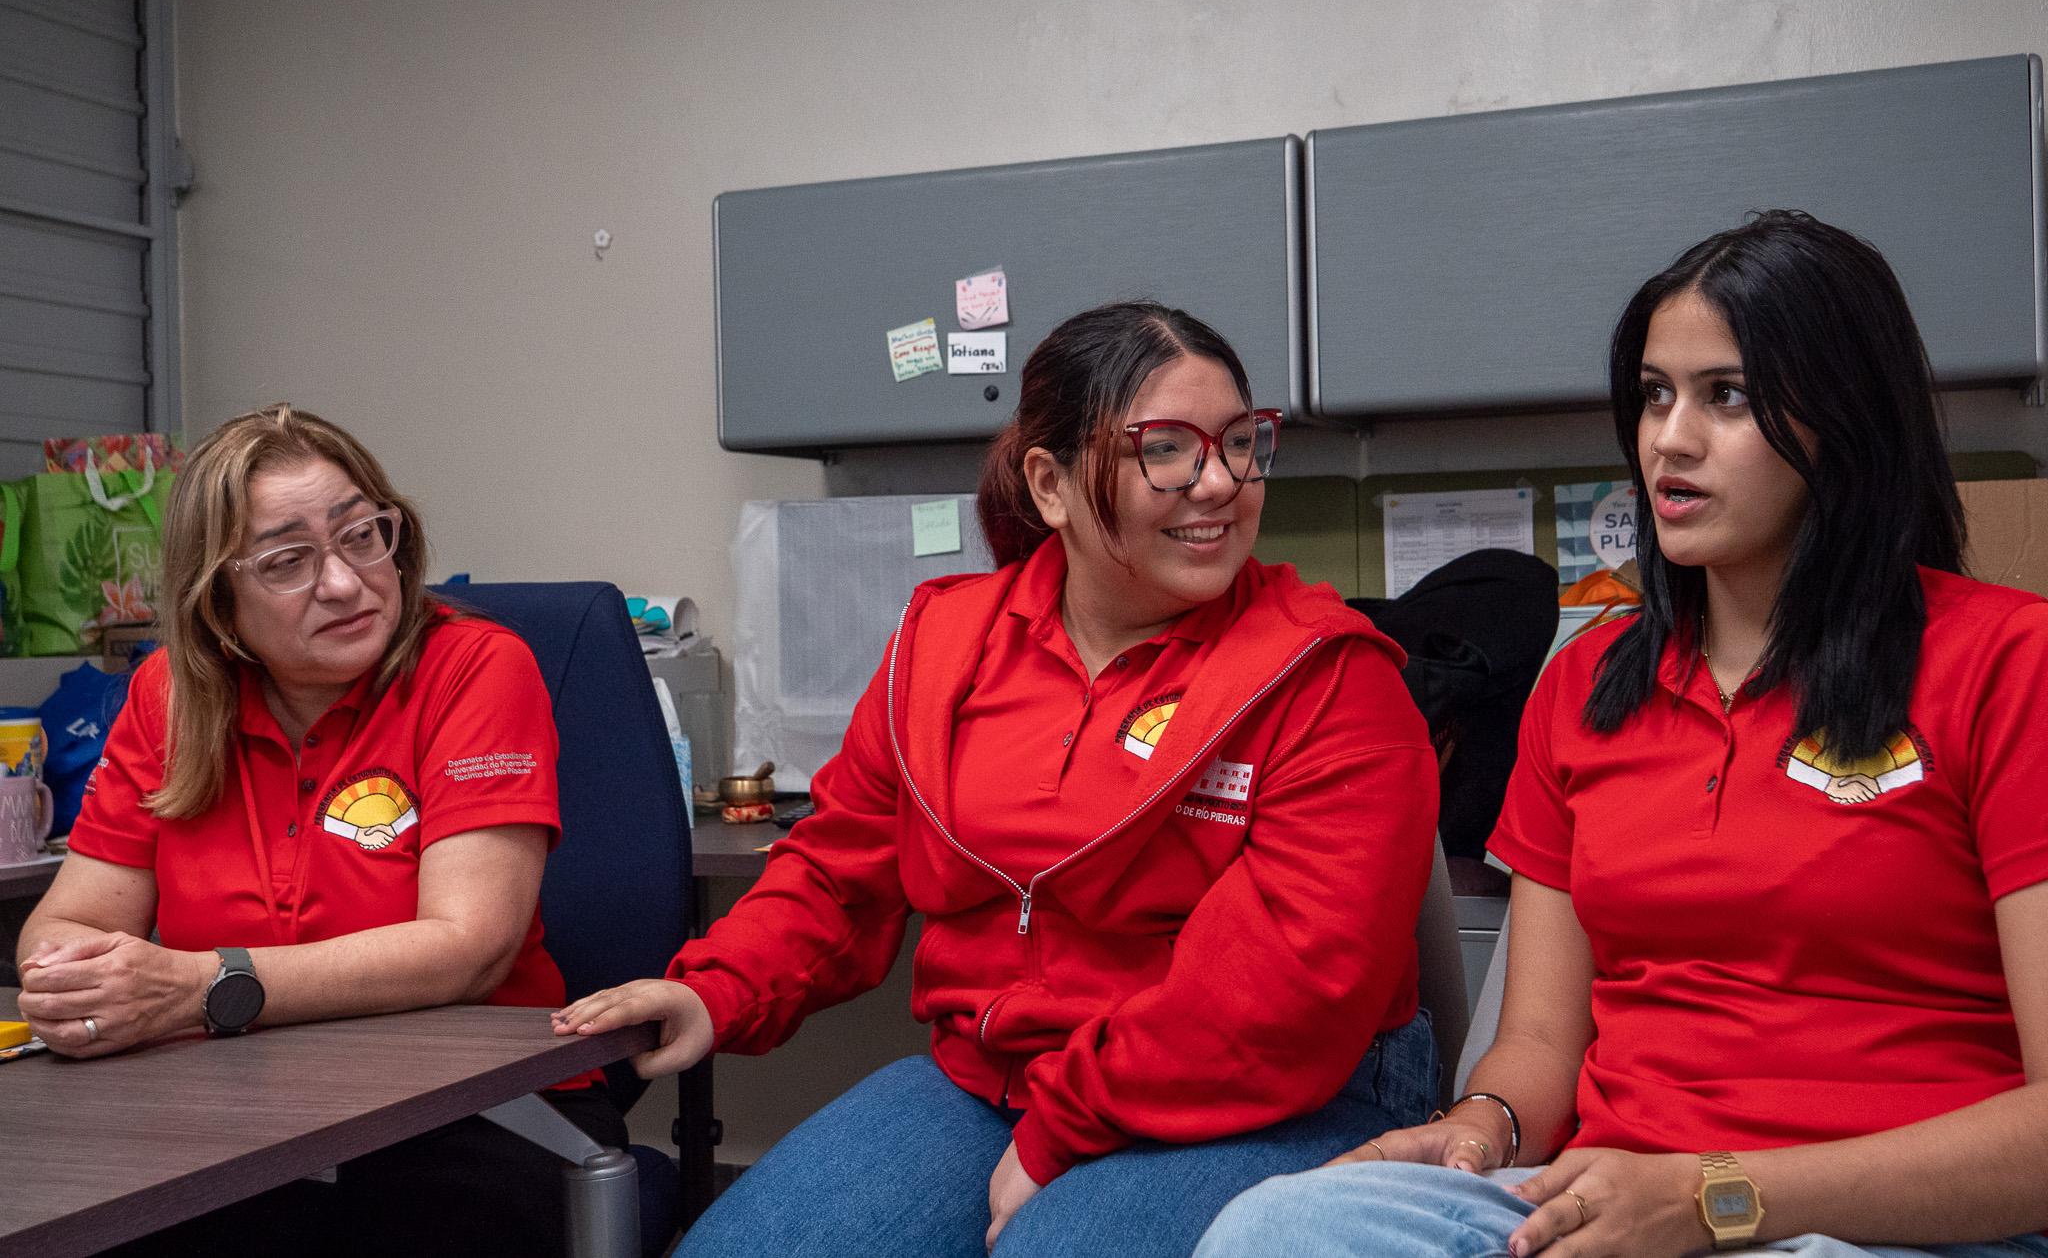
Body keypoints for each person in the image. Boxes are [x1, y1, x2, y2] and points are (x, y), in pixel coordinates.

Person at [1194, 210, 2048, 1258]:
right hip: (1609, 1210)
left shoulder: (2009, 667)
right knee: (1277, 1230)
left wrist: (1711, 1198)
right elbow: (1542, 1045)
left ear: (1844, 416)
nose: (1667, 439)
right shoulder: (1586, 685)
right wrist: (1476, 1129)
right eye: (1653, 395)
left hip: (1883, 1232)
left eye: (1723, 395)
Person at [558, 302, 1442, 1257]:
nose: (1219, 482)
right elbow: (838, 868)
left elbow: (1282, 998)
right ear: (1051, 483)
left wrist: (1062, 1130)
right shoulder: (945, 646)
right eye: (1168, 450)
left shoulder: (1326, 676)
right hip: (991, 1078)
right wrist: (714, 989)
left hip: (1273, 1095)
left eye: (1240, 442)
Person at [14, 404, 622, 1258]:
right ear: (217, 602)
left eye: (362, 536)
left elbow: (469, 946)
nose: (344, 582)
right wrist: (76, 985)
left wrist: (199, 987)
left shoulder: (477, 668)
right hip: (240, 1114)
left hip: (474, 1106)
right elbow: (61, 929)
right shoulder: (169, 697)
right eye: (288, 561)